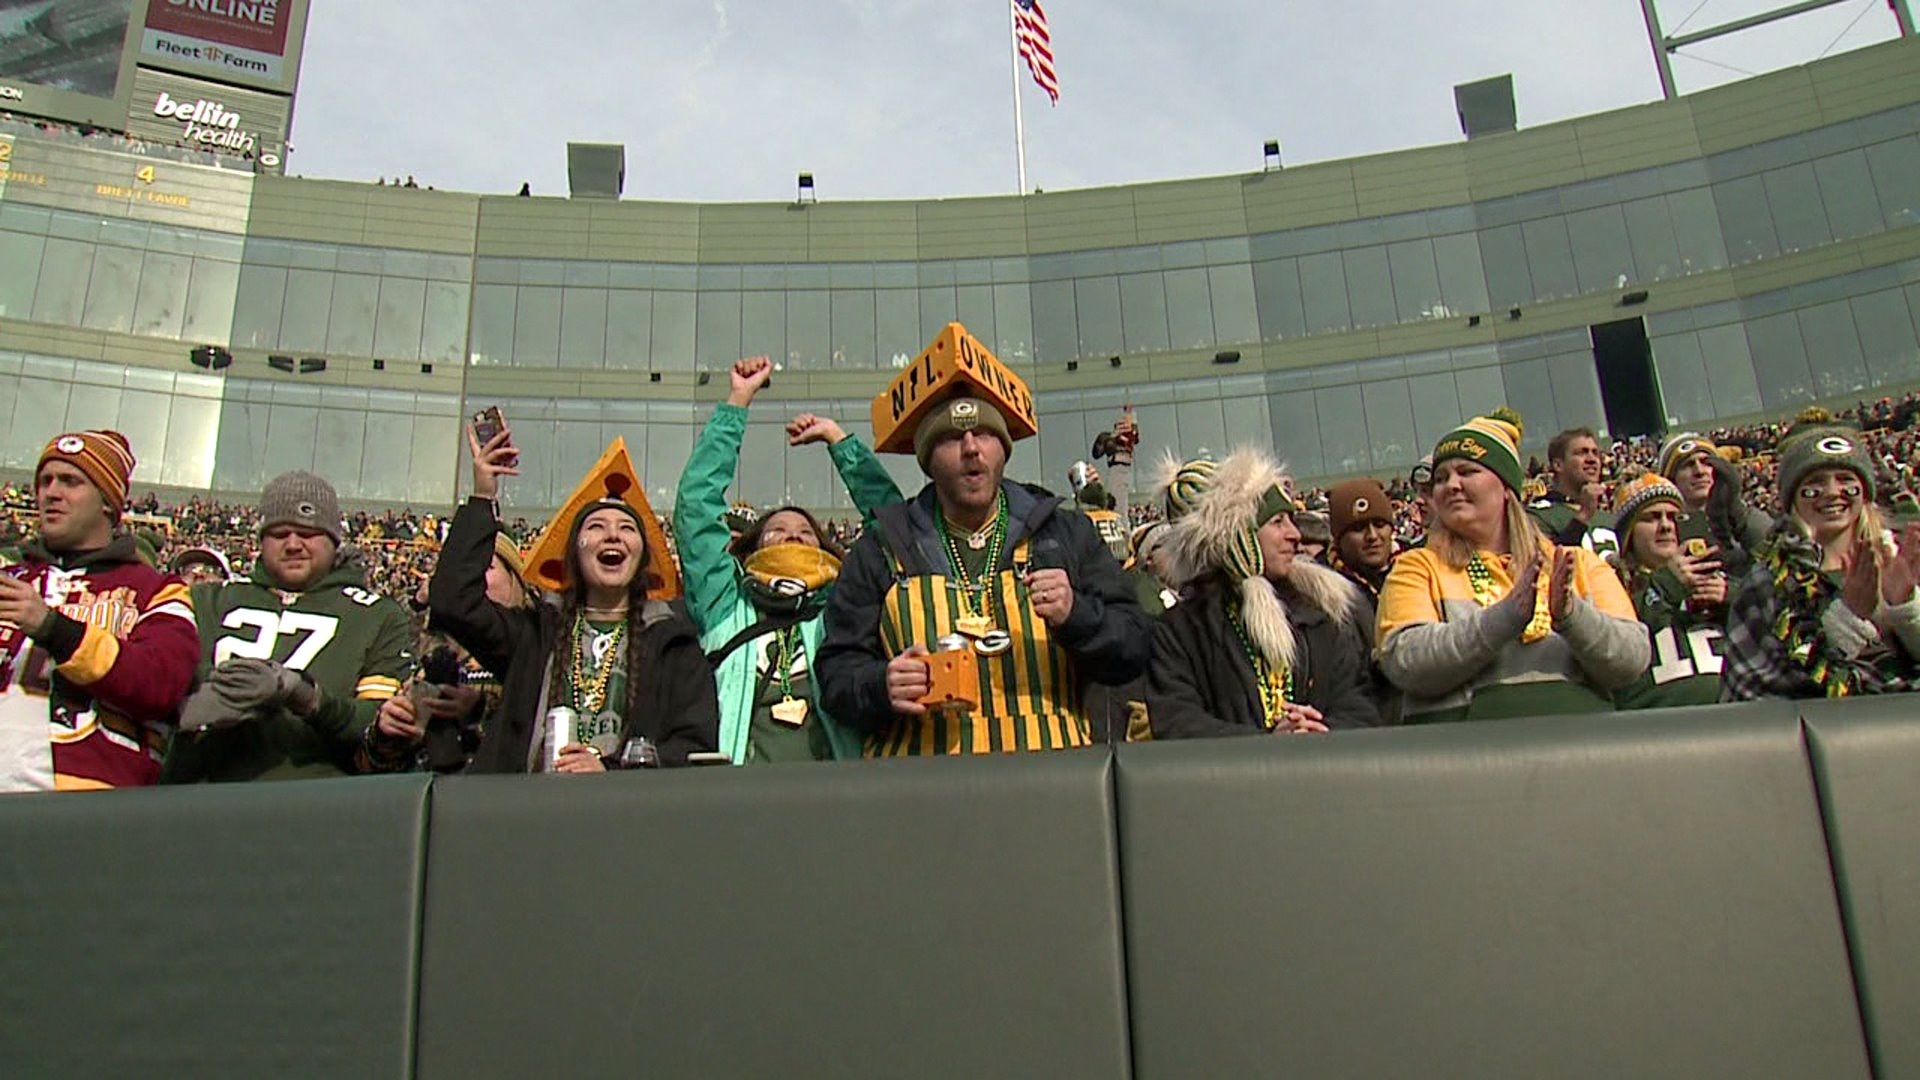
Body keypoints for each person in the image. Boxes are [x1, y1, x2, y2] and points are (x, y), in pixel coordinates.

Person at [818, 396, 1152, 755]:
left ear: (1004, 450)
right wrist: (879, 686)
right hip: (921, 777)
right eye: (951, 438)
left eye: (984, 434)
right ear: (928, 459)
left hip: (1052, 773)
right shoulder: (882, 548)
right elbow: (836, 672)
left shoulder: (1065, 533)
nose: (971, 448)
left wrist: (1077, 614)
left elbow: (1135, 646)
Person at [432, 426, 718, 771]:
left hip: (625, 804)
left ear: (642, 557)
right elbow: (453, 602)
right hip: (528, 802)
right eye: (596, 526)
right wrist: (482, 496)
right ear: (574, 554)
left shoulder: (675, 646)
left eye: (627, 528)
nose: (612, 535)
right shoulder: (535, 634)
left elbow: (693, 746)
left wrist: (609, 770)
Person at [674, 355, 901, 764]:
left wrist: (839, 441)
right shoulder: (725, 605)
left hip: (838, 793)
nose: (793, 535)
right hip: (736, 794)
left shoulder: (846, 610)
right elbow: (696, 507)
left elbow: (892, 528)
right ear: (752, 550)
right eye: (776, 531)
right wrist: (737, 401)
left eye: (805, 532)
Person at [1376, 410, 1649, 722]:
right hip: (1469, 748)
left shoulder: (1578, 564)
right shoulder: (1416, 567)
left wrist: (1572, 616)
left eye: (1466, 472)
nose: (1451, 485)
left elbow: (1632, 659)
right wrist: (1505, 618)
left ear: (1506, 488)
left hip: (1579, 744)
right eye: (1441, 478)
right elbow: (1406, 661)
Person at [165, 473, 417, 781]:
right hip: (197, 791)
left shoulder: (376, 616)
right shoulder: (206, 600)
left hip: (315, 797)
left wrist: (307, 697)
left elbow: (378, 723)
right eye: (280, 533)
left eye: (307, 533)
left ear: (334, 541)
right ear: (261, 540)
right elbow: (156, 679)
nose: (293, 544)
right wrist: (209, 687)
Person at [0, 431, 198, 791]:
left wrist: (53, 628)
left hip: (85, 803)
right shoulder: (9, 578)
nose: (51, 493)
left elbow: (161, 682)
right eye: (45, 481)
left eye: (70, 481)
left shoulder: (156, 590)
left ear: (107, 502)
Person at [1146, 450, 1378, 737]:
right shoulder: (1182, 632)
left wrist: (1319, 732)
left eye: (1291, 520)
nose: (1294, 534)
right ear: (1240, 536)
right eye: (1277, 522)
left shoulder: (1321, 615)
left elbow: (1360, 703)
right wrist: (1267, 744)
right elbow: (1177, 722)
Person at [1721, 414, 1920, 699]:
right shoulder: (1768, 583)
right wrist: (1846, 622)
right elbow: (1757, 700)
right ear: (1792, 498)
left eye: (1845, 480)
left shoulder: (1904, 562)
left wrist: (1906, 609)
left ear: (1864, 492)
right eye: (1815, 484)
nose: (1832, 492)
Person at [377, 532, 531, 772]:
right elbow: (377, 762)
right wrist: (389, 730)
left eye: (486, 567)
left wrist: (477, 711)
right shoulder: (430, 649)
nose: (472, 580)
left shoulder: (537, 642)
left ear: (514, 578)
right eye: (463, 572)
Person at [1610, 473, 1727, 708]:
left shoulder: (1715, 575)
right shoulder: (1612, 585)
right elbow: (1612, 641)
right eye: (1651, 518)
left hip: (1735, 715)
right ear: (1628, 534)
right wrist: (1666, 584)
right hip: (1656, 719)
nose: (1665, 526)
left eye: (1673, 517)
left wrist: (1731, 599)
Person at [1657, 431, 1771, 579]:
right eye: (1688, 465)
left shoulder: (1746, 518)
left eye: (1706, 463)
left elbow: (1774, 557)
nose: (1699, 471)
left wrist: (1738, 512)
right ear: (1671, 479)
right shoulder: (1663, 531)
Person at [1528, 427, 1620, 560]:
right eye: (1581, 453)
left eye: (1595, 453)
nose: (1592, 459)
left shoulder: (1610, 518)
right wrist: (1583, 517)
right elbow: (1548, 564)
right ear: (1558, 465)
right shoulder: (1539, 515)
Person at [1325, 478, 1396, 603]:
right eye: (1358, 528)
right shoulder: (1324, 590)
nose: (1372, 536)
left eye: (1379, 525)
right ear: (1338, 539)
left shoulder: (1416, 568)